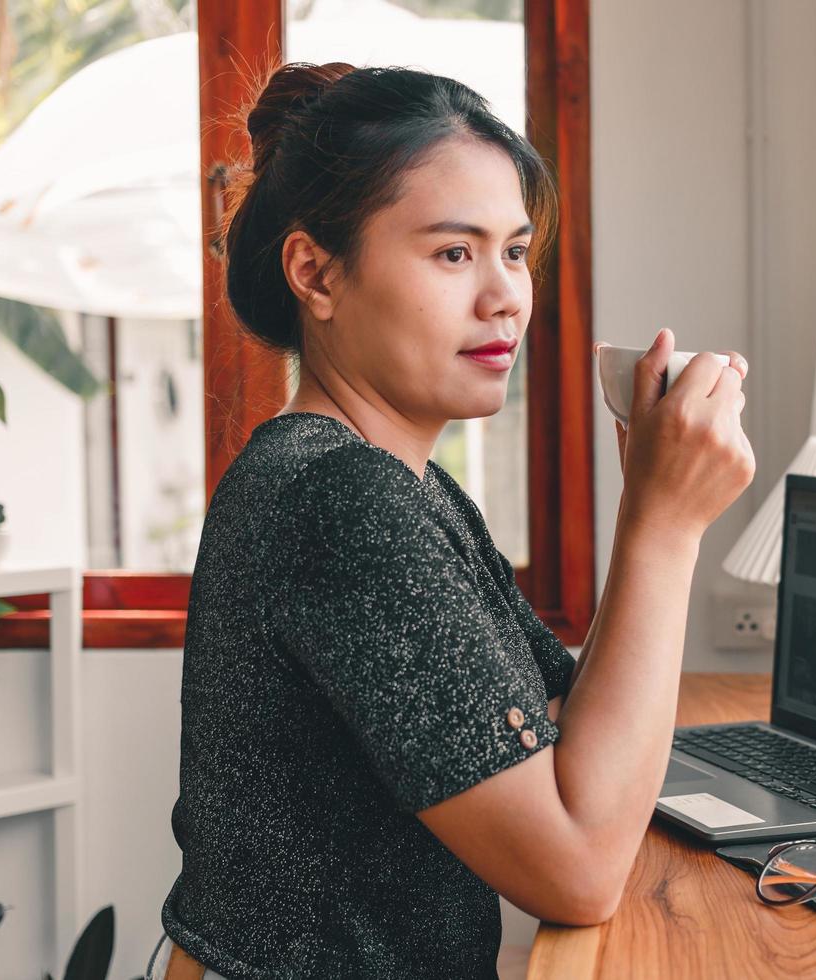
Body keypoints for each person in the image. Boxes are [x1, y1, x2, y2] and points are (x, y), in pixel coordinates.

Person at [149, 61, 754, 979]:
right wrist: (665, 529)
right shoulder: (346, 501)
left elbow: (559, 720)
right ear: (315, 271)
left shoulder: (398, 484)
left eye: (515, 251)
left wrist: (649, 506)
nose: (506, 294)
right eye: (452, 253)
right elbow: (580, 872)